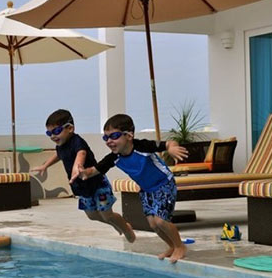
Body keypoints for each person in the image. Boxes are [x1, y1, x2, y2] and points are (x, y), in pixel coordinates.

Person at [72, 114, 189, 263]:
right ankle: (172, 246)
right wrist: (82, 172)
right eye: (106, 138)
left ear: (129, 135)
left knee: (160, 221)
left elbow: (169, 143)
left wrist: (172, 149)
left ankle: (180, 247)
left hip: (164, 184)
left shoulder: (142, 146)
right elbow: (94, 170)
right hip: (146, 190)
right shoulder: (114, 157)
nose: (109, 141)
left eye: (114, 136)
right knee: (153, 224)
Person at [32, 109, 136, 243]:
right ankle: (118, 224)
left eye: (56, 131)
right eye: (49, 133)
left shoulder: (77, 141)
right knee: (92, 215)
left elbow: (81, 153)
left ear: (70, 128)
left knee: (107, 214)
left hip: (96, 183)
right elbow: (58, 155)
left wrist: (77, 166)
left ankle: (126, 227)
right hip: (82, 187)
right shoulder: (60, 145)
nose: (53, 136)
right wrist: (45, 165)